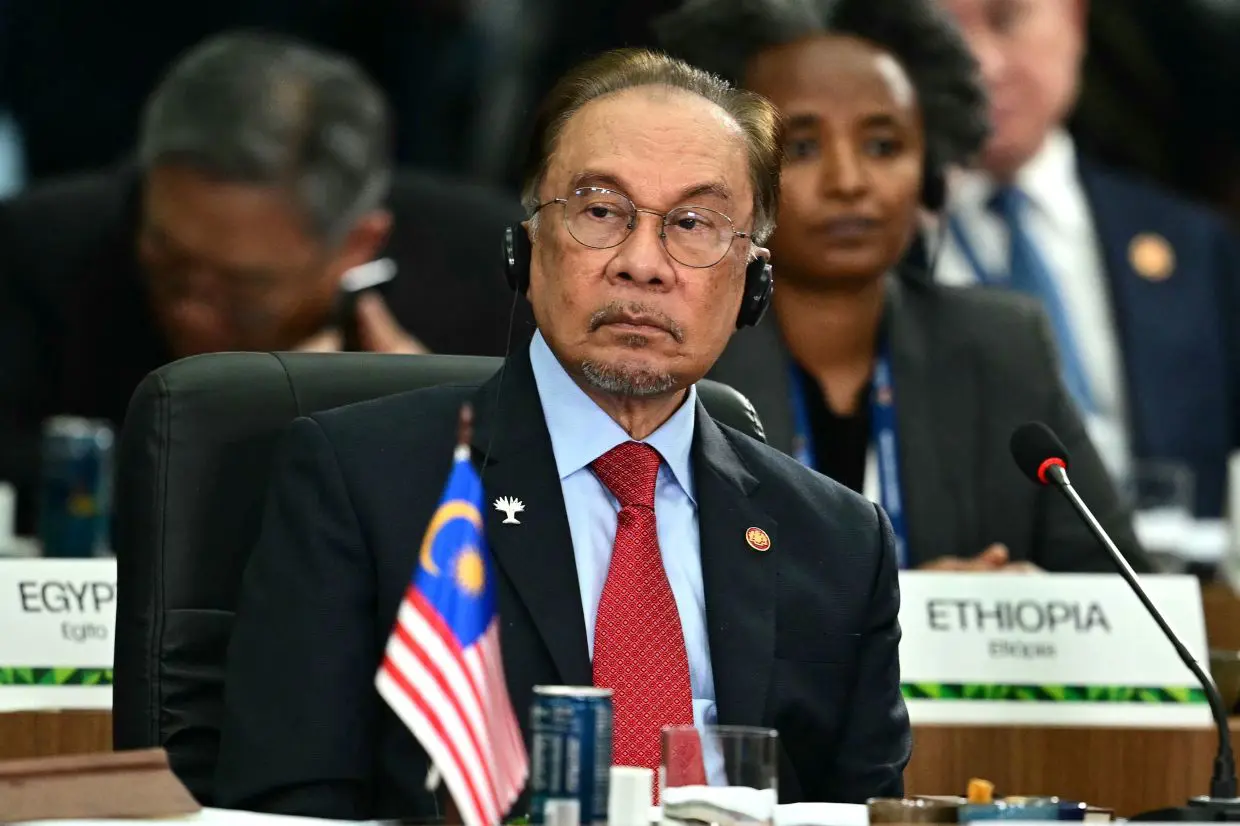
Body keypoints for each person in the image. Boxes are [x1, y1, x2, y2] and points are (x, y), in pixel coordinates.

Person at [215, 48, 910, 820]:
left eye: (693, 224)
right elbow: (286, 809)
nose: (642, 265)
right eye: (601, 212)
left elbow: (868, 812)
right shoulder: (364, 485)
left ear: (753, 279)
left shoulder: (840, 543)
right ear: (526, 247)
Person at [657, 0, 1152, 573]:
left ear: (931, 171)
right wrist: (908, 605)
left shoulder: (1001, 347)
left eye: (882, 146)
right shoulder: (668, 348)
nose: (849, 182)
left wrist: (1024, 601)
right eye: (802, 148)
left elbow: (1132, 597)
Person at [0, 32, 528, 535]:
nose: (190, 310)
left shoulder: (502, 281)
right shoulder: (39, 250)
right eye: (169, 264)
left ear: (358, 243)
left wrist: (436, 436)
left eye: (242, 288)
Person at [934, 0, 1240, 517]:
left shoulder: (1193, 245)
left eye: (1007, 21)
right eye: (943, 32)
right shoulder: (879, 251)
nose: (981, 62)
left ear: (1074, 21)